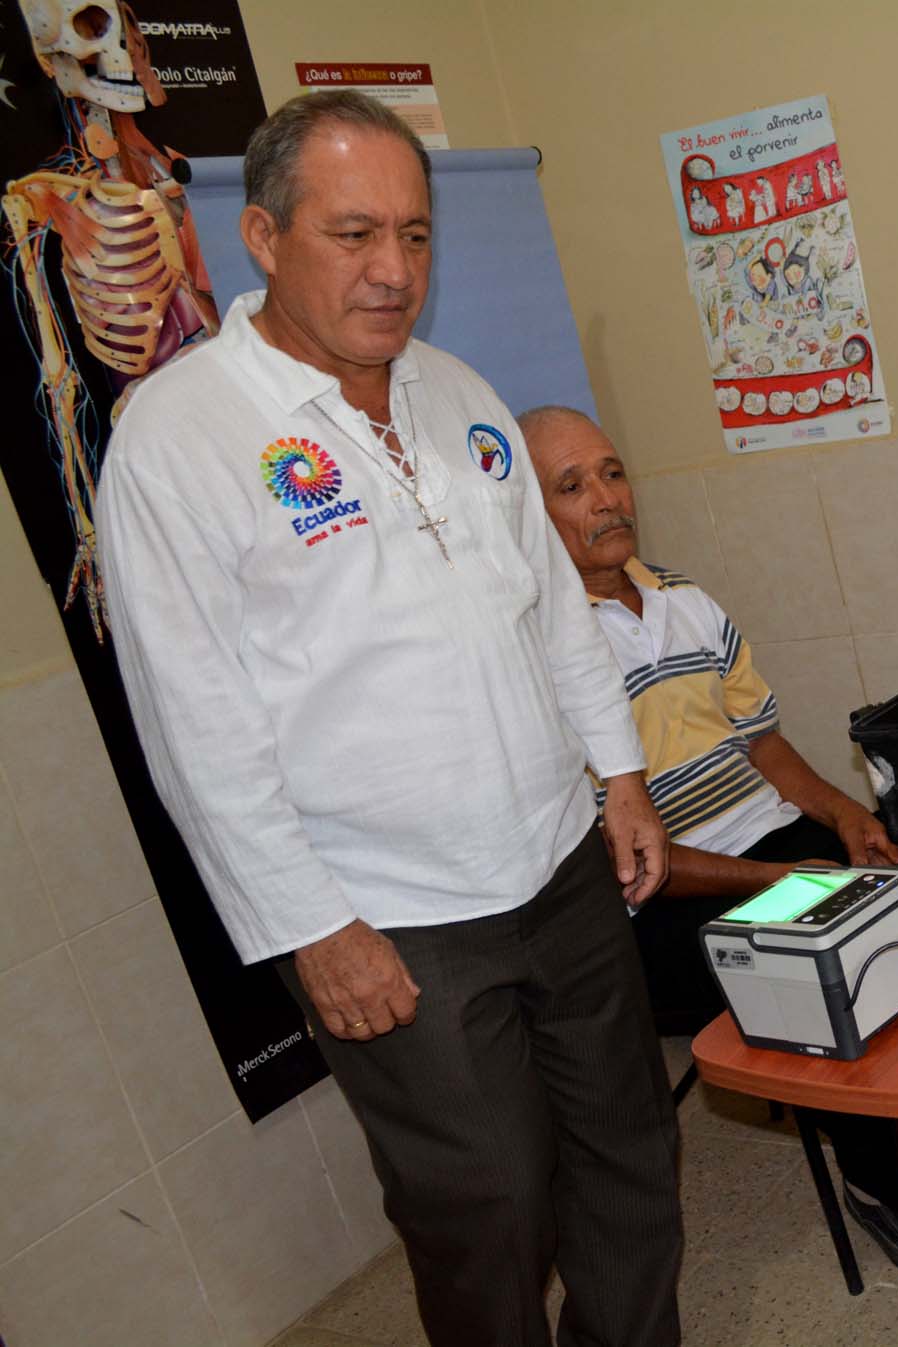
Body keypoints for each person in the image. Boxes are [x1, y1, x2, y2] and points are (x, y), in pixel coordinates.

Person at [96, 93, 684, 1347]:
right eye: (354, 233)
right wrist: (310, 928)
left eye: (415, 236)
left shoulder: (458, 391)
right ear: (260, 235)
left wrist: (621, 776)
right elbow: (193, 722)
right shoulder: (180, 438)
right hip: (398, 916)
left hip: (560, 864)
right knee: (488, 1209)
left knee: (629, 1154)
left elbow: (553, 614)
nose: (393, 271)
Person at [519, 404, 898, 1279]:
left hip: (767, 844)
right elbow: (626, 858)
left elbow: (764, 743)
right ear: (527, 516)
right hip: (656, 903)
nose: (606, 498)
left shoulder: (686, 601)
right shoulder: (537, 661)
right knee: (823, 962)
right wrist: (777, 878)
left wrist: (842, 818)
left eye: (611, 471)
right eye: (571, 486)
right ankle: (885, 1186)